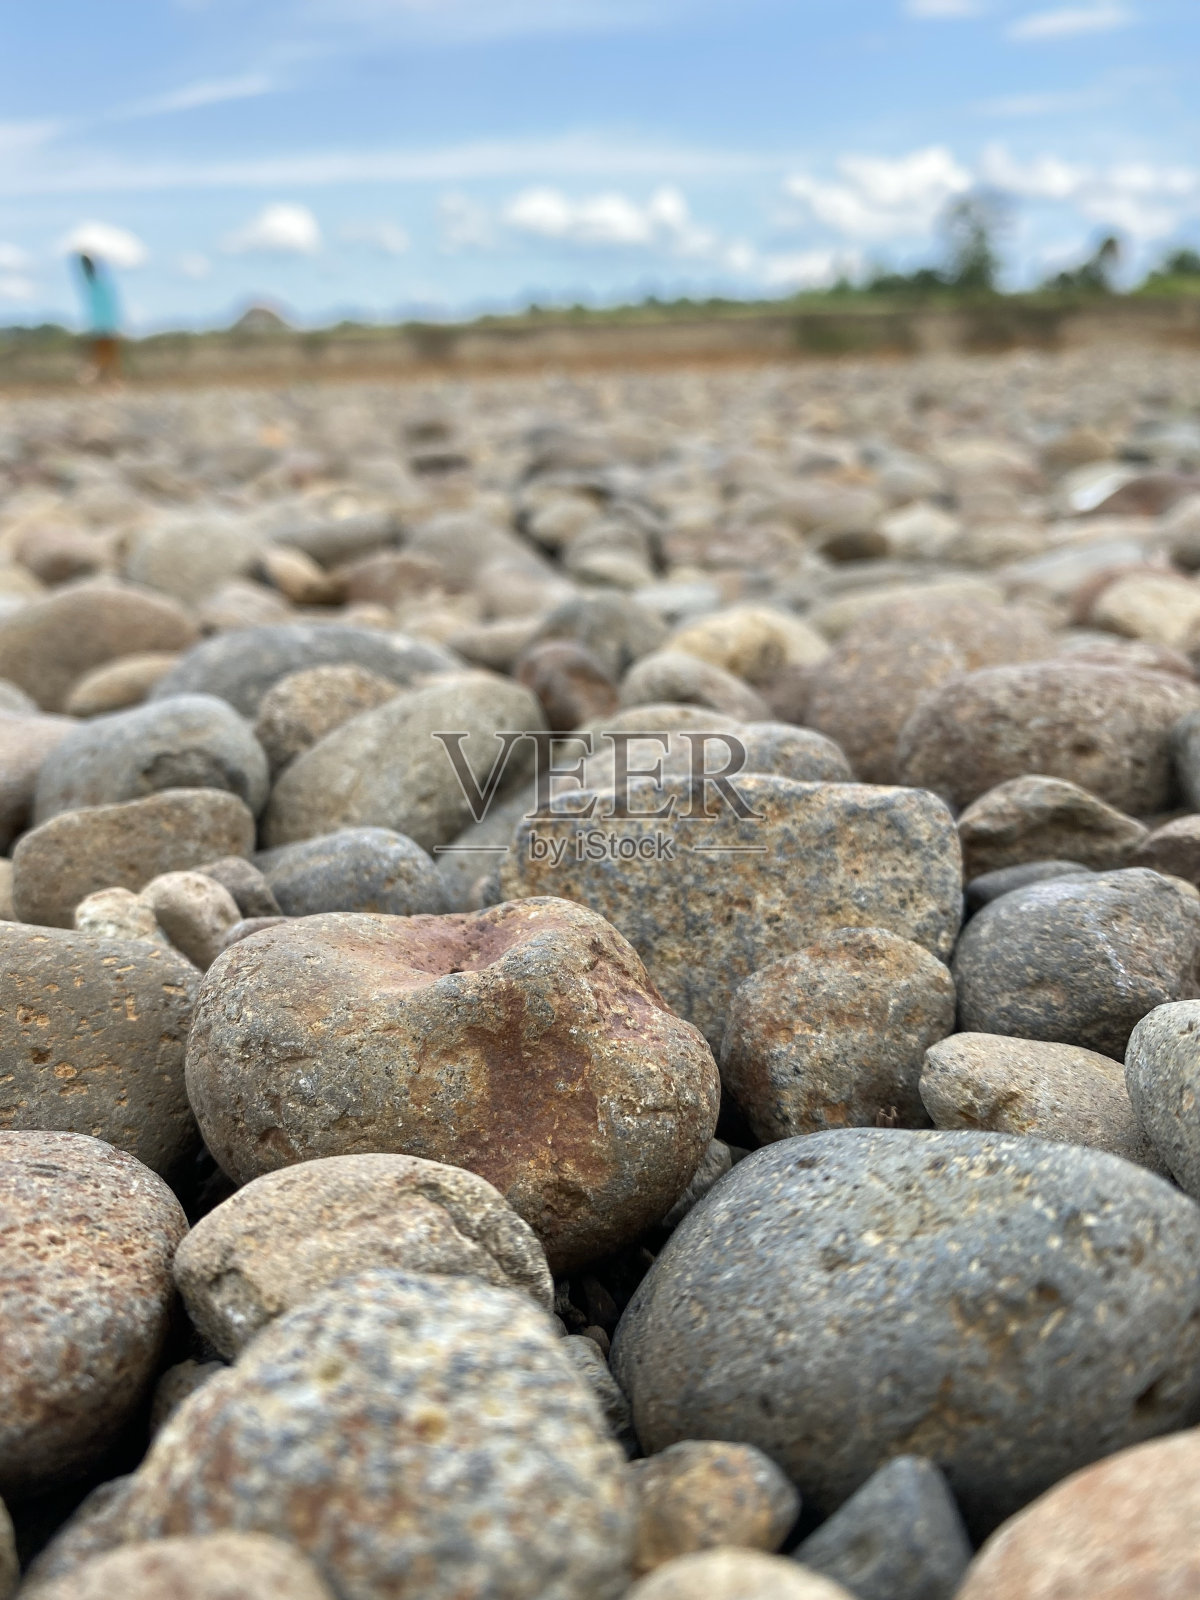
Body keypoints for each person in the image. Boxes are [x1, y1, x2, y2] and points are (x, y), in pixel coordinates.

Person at [75, 253, 122, 384]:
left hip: (106, 324)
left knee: (106, 354)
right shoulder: (97, 283)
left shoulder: (99, 283)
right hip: (102, 324)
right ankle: (104, 378)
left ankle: (106, 378)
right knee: (103, 353)